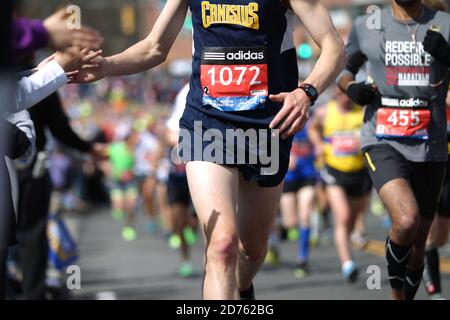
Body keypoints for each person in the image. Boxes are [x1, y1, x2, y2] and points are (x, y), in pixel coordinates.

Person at [74, 0, 345, 299]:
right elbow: (154, 47)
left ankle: (242, 289)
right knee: (222, 243)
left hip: (268, 129)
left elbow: (333, 46)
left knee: (251, 251)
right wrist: (107, 65)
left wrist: (306, 91)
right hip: (206, 124)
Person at [338, 0, 450, 299]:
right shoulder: (366, 26)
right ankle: (396, 295)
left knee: (418, 247)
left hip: (431, 145)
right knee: (406, 220)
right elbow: (343, 72)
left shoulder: (445, 23)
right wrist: (351, 88)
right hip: (382, 139)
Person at [308, 87, 371, 283]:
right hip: (334, 170)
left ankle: (350, 237)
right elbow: (312, 128)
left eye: (349, 95)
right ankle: (348, 264)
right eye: (342, 95)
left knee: (353, 218)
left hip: (359, 171)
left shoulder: (362, 113)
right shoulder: (325, 111)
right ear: (336, 94)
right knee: (342, 216)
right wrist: (318, 144)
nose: (345, 99)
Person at [279, 128, 317, 278]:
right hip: (287, 177)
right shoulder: (278, 121)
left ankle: (303, 258)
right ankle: (274, 237)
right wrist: (285, 157)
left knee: (305, 215)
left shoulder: (309, 123)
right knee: (290, 222)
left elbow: (320, 138)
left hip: (307, 175)